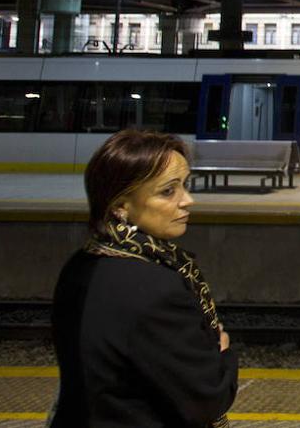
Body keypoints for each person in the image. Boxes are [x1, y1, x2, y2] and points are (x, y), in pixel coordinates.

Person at [50, 129, 238, 427]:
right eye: (168, 191)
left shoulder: (80, 264)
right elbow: (208, 398)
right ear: (121, 205)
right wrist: (222, 353)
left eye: (185, 186)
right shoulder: (156, 288)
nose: (187, 200)